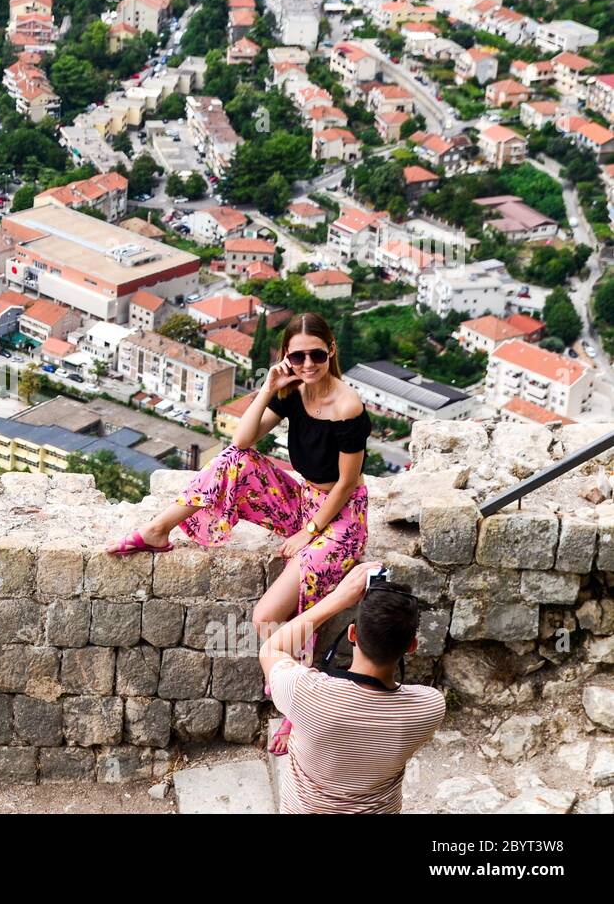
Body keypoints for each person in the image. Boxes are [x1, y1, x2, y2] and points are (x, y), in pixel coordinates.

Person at [106, 312, 371, 752]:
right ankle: (157, 529)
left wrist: (309, 530)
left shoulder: (348, 406)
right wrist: (269, 388)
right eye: (298, 355)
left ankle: (297, 707)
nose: (308, 363)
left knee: (269, 615)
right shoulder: (292, 392)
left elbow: (345, 484)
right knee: (233, 461)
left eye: (317, 355)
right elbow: (242, 442)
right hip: (300, 497)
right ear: (286, 357)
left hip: (339, 517)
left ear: (332, 352)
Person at [259, 561, 445, 813]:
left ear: (352, 634)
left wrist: (336, 600)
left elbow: (272, 648)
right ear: (412, 646)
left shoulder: (305, 693)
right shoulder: (429, 707)